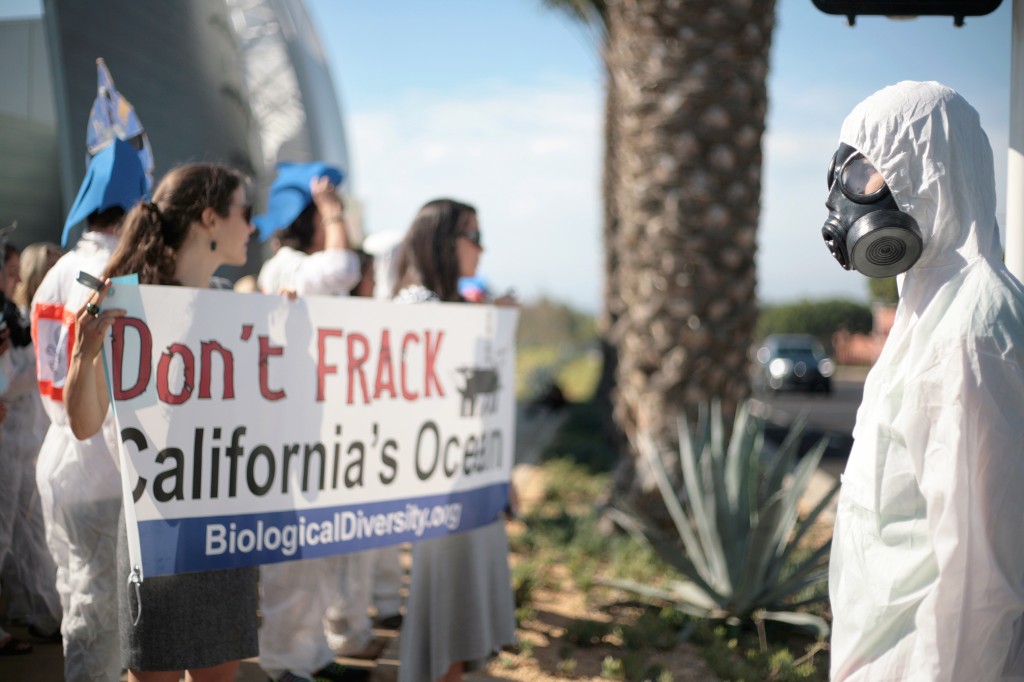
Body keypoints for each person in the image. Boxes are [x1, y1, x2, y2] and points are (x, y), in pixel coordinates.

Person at [823, 81, 1024, 680]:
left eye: (865, 174)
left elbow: (979, 581)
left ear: (926, 170)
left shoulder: (972, 329)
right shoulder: (932, 307)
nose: (843, 201)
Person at [63, 162, 259, 682]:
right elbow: (83, 425)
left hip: (224, 525)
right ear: (211, 220)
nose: (254, 226)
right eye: (246, 212)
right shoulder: (124, 307)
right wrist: (87, 352)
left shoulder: (235, 310)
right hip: (159, 530)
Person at [31, 137, 147, 681]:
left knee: (82, 608)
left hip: (59, 453)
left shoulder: (60, 268)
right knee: (96, 624)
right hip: (98, 458)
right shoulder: (116, 273)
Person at [253, 161, 369, 682]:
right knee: (289, 562)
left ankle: (313, 656)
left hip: (310, 425)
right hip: (286, 430)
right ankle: (284, 664)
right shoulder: (287, 266)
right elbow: (344, 268)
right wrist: (335, 211)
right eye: (323, 212)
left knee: (312, 554)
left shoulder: (295, 265)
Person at [392, 198, 517, 682]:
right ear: (445, 242)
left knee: (460, 615)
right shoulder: (416, 305)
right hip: (440, 489)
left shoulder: (450, 306)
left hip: (470, 480)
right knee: (445, 612)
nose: (482, 250)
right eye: (474, 237)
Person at [0, 242, 62, 656]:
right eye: (10, 270)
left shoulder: (22, 321)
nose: (17, 278)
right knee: (5, 532)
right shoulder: (15, 321)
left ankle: (35, 611)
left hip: (32, 441)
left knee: (29, 533)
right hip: (9, 441)